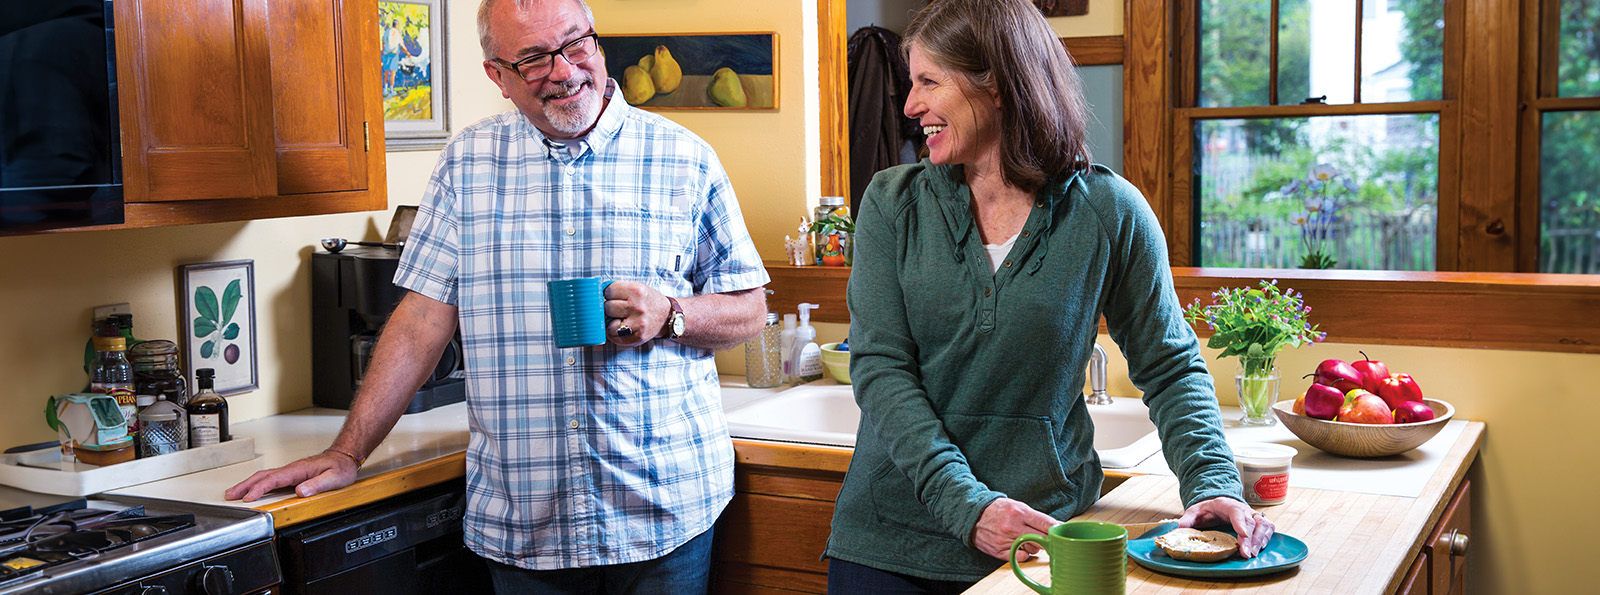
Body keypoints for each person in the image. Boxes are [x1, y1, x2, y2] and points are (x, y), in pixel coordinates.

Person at [225, 0, 769, 592]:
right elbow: (420, 320)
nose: (564, 71)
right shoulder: (465, 164)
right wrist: (347, 453)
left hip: (663, 513)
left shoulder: (685, 158)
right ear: (497, 76)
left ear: (596, 41)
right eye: (533, 59)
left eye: (575, 44)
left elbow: (750, 308)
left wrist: (672, 315)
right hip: (521, 525)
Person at [821, 0, 1274, 592]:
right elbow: (881, 368)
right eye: (912, 84)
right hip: (889, 543)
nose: (910, 107)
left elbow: (1169, 365)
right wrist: (969, 507)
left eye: (929, 82)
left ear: (1000, 84)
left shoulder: (1110, 212)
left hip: (1041, 543)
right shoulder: (891, 202)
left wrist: (1212, 484)